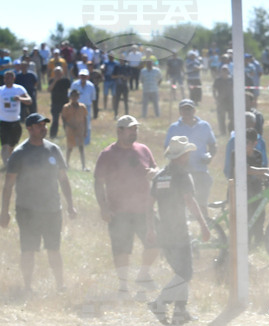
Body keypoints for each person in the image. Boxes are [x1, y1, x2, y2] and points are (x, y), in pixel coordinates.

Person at [0, 113, 76, 294]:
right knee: (28, 250)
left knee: (54, 249)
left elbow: (63, 180)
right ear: (30, 129)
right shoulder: (19, 153)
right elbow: (8, 185)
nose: (44, 128)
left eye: (45, 125)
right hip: (27, 210)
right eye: (39, 125)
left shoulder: (54, 150)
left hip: (52, 209)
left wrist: (70, 205)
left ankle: (60, 285)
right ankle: (27, 287)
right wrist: (4, 212)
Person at [148, 136, 211, 325]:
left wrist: (150, 229)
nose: (189, 155)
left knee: (179, 272)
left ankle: (180, 311)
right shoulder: (183, 175)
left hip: (163, 231)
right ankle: (160, 303)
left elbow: (149, 205)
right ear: (182, 155)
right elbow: (189, 201)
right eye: (188, 153)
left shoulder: (160, 176)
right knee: (186, 273)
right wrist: (203, 224)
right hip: (179, 231)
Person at [93, 115, 159, 297]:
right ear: (119, 131)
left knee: (157, 242)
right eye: (130, 129)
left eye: (136, 129)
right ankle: (123, 287)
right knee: (122, 250)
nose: (134, 133)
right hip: (119, 211)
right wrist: (103, 207)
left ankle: (143, 275)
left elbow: (155, 170)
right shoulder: (107, 154)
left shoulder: (144, 150)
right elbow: (98, 182)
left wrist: (153, 172)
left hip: (145, 209)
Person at [164, 99, 216, 209]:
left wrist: (210, 156)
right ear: (180, 111)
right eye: (184, 109)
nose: (186, 111)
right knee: (181, 205)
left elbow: (213, 145)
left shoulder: (204, 126)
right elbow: (167, 148)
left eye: (189, 109)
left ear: (194, 110)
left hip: (201, 171)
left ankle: (203, 224)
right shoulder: (174, 128)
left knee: (202, 205)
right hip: (180, 173)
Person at [1, 69, 32, 165]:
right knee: (5, 145)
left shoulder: (19, 89)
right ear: (3, 79)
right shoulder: (1, 90)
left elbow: (29, 101)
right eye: (6, 78)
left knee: (11, 145)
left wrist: (20, 98)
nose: (7, 79)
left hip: (15, 121)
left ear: (13, 78)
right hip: (3, 121)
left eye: (10, 77)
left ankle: (9, 161)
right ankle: (6, 165)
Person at [61, 89, 89, 169]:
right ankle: (66, 164)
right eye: (73, 96)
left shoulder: (82, 107)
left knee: (81, 148)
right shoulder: (66, 107)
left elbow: (85, 119)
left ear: (78, 97)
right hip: (70, 129)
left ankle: (83, 166)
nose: (74, 97)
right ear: (70, 97)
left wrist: (85, 130)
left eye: (76, 96)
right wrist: (68, 127)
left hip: (80, 129)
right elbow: (64, 119)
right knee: (69, 147)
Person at [48, 66, 70, 138]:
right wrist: (55, 80)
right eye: (56, 73)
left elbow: (70, 90)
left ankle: (68, 135)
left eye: (59, 72)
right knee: (55, 120)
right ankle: (53, 135)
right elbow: (49, 89)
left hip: (65, 103)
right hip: (55, 104)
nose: (57, 74)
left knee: (66, 121)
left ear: (62, 73)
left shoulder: (66, 81)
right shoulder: (51, 81)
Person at [212, 65, 234, 134]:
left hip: (231, 101)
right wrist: (216, 99)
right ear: (221, 71)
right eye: (223, 70)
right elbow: (214, 90)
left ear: (228, 71)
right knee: (221, 118)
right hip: (221, 102)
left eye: (226, 70)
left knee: (232, 118)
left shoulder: (231, 79)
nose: (224, 72)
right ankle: (223, 132)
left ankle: (231, 131)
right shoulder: (218, 80)